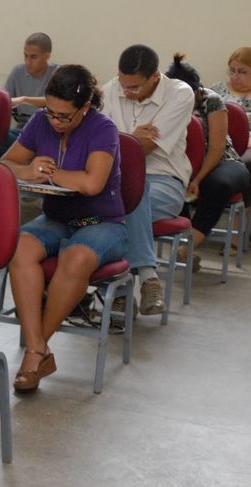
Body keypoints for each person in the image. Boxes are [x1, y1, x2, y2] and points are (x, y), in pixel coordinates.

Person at [2, 65, 126, 391]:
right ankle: (39, 350)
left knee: (76, 257)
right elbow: (6, 164)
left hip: (100, 222)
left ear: (85, 108)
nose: (55, 121)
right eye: (50, 112)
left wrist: (53, 173)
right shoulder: (40, 121)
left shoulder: (103, 128)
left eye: (64, 116)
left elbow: (92, 183)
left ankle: (34, 350)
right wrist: (28, 170)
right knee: (19, 249)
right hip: (57, 219)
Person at [101, 44, 194, 315]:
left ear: (154, 77)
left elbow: (142, 150)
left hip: (165, 182)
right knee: (119, 200)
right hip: (115, 183)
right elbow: (99, 150)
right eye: (123, 84)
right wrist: (133, 138)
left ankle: (117, 287)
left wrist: (120, 140)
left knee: (126, 197)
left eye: (134, 88)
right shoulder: (109, 90)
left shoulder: (179, 94)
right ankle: (147, 277)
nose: (126, 92)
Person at [165, 54, 251, 266]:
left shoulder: (212, 100)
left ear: (196, 90)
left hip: (222, 161)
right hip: (186, 163)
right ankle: (183, 243)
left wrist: (197, 178)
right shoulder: (167, 101)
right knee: (172, 183)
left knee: (217, 185)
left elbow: (217, 147)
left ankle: (186, 247)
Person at [0, 32, 59, 159]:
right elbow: (4, 100)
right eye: (25, 56)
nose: (28, 61)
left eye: (33, 57)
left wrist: (24, 100)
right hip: (21, 131)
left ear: (47, 56)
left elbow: (57, 101)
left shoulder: (57, 73)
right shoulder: (18, 72)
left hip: (48, 132)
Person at [209, 47, 251, 164]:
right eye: (232, 71)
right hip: (224, 143)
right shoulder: (217, 90)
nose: (235, 76)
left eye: (242, 72)